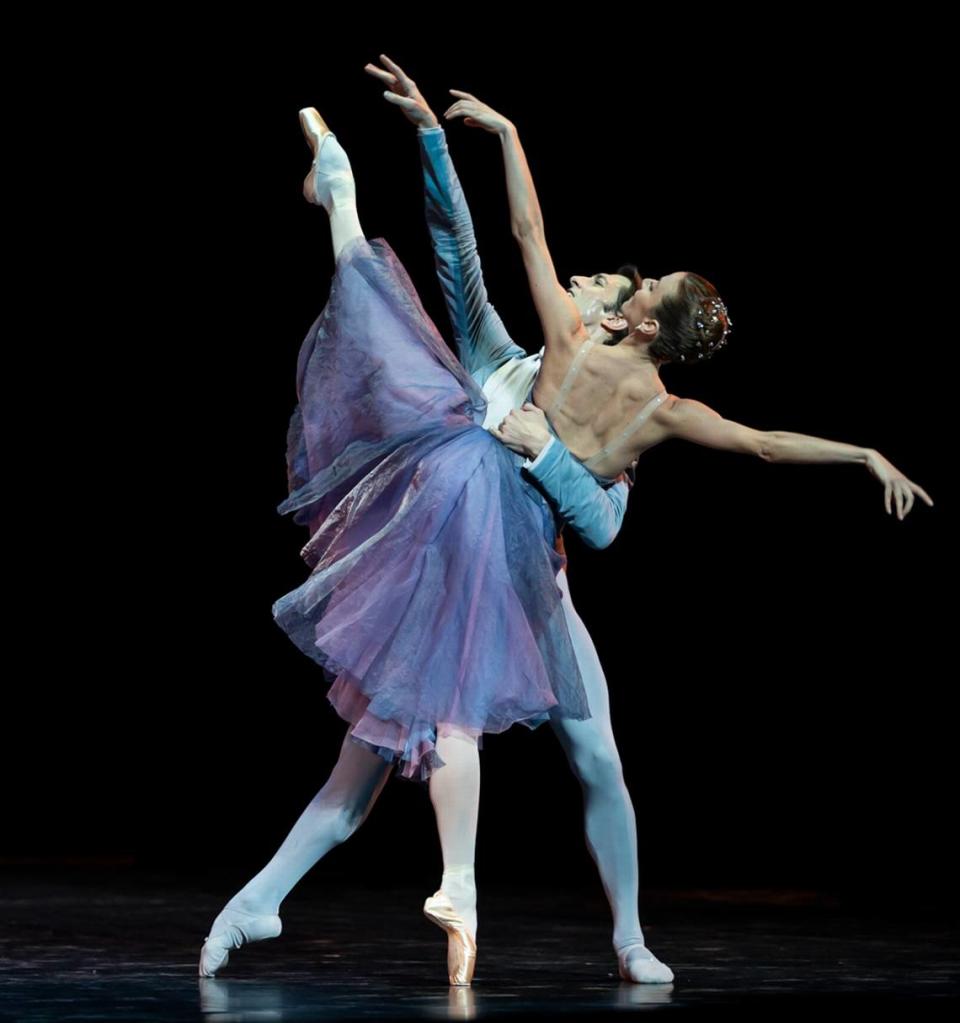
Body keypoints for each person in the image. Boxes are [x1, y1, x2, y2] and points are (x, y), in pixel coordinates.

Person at [199, 62, 934, 988]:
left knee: (587, 754)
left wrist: (503, 135)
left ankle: (619, 932)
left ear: (642, 324)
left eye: (635, 284)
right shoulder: (599, 381)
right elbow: (758, 441)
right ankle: (270, 899)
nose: (614, 281)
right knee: (375, 761)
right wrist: (863, 453)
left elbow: (529, 241)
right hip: (461, 567)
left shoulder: (595, 361)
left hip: (528, 585)